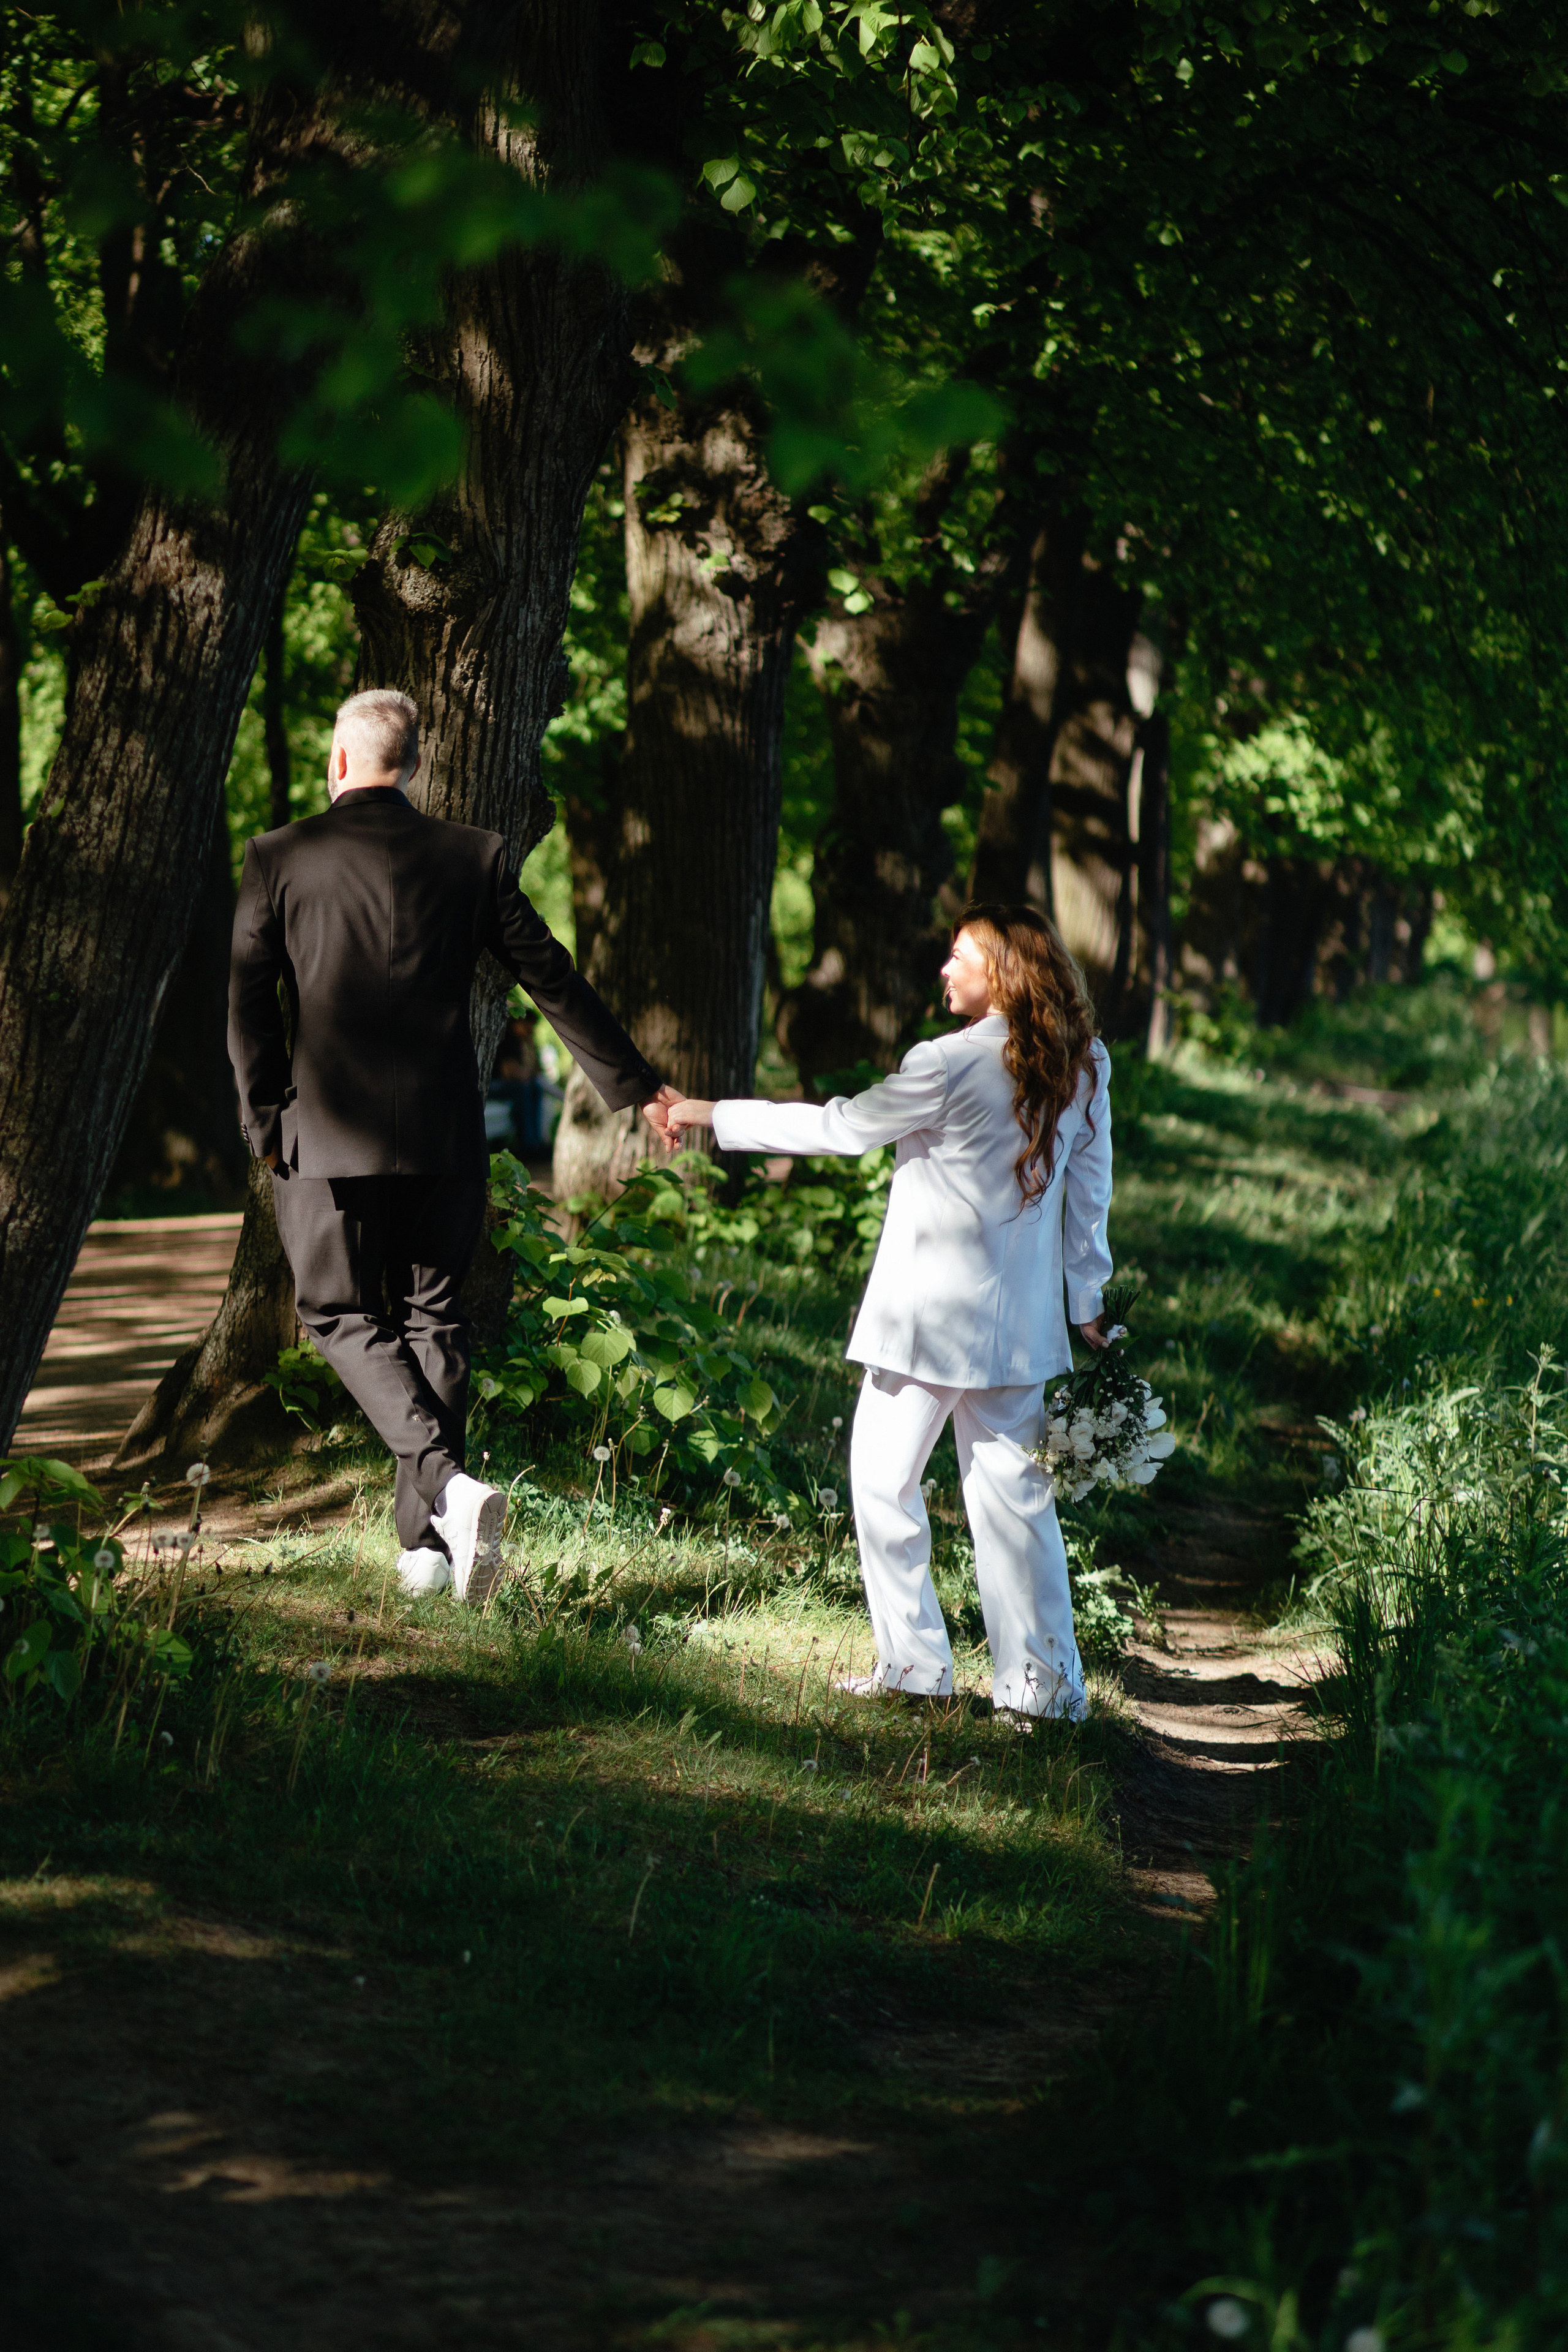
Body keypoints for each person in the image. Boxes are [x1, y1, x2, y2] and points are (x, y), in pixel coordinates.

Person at [227, 688, 677, 1605]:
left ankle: (447, 1490)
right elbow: (552, 977)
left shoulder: (279, 857)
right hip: (444, 1133)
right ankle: (430, 1552)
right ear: (415, 765)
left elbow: (248, 1003)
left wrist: (266, 1122)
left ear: (339, 762)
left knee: (337, 1314)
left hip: (327, 1136)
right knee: (433, 1322)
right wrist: (636, 1085)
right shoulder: (471, 857)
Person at [668, 904, 1112, 1720]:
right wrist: (1087, 1301)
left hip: (924, 1325)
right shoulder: (1083, 1065)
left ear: (1002, 973)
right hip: (1018, 1331)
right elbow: (1090, 1198)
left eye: (958, 957)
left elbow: (843, 1129)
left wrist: (710, 1115)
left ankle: (914, 1668)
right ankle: (1043, 1693)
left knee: (882, 1485)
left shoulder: (945, 1064)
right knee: (1015, 1511)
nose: (945, 970)